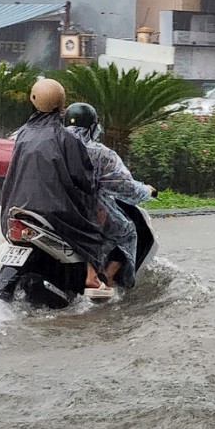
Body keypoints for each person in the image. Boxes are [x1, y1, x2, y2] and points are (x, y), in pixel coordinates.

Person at [0, 79, 112, 298]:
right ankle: (91, 277)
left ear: (33, 100)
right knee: (94, 227)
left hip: (16, 209)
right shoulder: (67, 139)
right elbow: (85, 181)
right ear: (62, 105)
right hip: (54, 213)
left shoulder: (22, 134)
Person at [64, 102, 155, 289]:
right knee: (127, 231)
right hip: (87, 208)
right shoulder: (100, 154)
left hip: (52, 206)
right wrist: (147, 191)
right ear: (92, 127)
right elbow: (124, 186)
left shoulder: (52, 146)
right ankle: (105, 276)